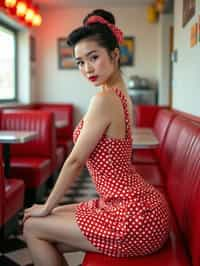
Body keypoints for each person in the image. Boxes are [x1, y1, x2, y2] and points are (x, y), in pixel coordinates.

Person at [22, 9, 171, 266]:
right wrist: (50, 209)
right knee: (48, 224)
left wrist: (45, 206)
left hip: (133, 216)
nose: (87, 68)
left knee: (33, 227)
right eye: (80, 62)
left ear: (114, 55)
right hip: (130, 205)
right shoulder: (117, 92)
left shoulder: (104, 99)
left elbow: (75, 160)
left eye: (93, 57)